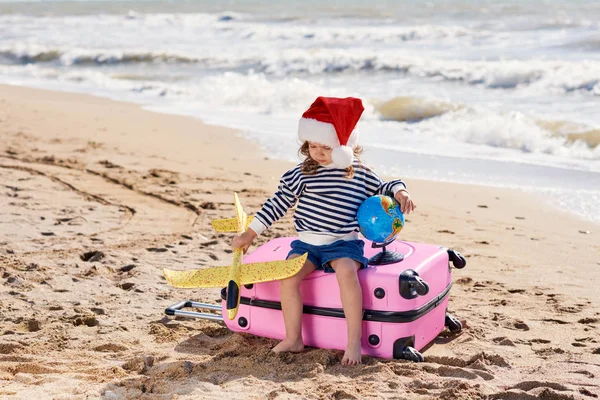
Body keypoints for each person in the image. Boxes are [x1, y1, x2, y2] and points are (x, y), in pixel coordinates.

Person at [232, 96, 415, 365]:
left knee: (346, 273)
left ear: (344, 146)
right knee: (289, 277)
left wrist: (400, 192)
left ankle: (353, 342)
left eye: (326, 147)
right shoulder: (302, 173)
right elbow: (279, 202)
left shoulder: (360, 173)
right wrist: (251, 232)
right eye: (312, 145)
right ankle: (294, 338)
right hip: (307, 244)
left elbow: (387, 186)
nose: (318, 152)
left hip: (343, 243)